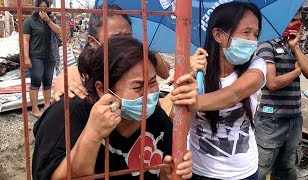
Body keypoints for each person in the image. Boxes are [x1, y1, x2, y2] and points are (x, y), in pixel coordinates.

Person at [32, 36, 196, 180]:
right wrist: (93, 134)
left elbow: (166, 168)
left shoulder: (156, 119)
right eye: (137, 87)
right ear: (102, 89)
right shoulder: (69, 114)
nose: (149, 95)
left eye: (153, 83)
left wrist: (167, 177)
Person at [185, 2, 267, 179]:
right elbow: (178, 122)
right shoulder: (195, 68)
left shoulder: (257, 65)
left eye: (256, 34)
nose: (252, 40)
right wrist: (188, 77)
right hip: (199, 171)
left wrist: (192, 101)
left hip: (243, 173)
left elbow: (233, 94)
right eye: (246, 32)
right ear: (218, 35)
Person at [53, 4, 171, 101]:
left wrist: (145, 53)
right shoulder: (81, 74)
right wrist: (65, 79)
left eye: (127, 36)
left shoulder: (139, 60)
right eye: (115, 38)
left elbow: (165, 73)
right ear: (93, 42)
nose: (123, 44)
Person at [253, 9, 308, 180]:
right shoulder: (267, 45)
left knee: (287, 169)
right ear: (283, 21)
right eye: (293, 20)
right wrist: (296, 73)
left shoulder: (296, 46)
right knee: (261, 168)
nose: (298, 24)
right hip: (271, 120)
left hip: (294, 119)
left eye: (300, 20)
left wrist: (296, 48)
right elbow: (272, 83)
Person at [23, 0, 62, 117]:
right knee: (35, 83)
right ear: (36, 7)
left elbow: (59, 31)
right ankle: (35, 109)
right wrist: (26, 57)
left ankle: (46, 105)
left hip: (50, 56)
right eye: (41, 7)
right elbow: (25, 40)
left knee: (48, 82)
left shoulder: (49, 20)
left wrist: (48, 20)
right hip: (36, 56)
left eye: (45, 7)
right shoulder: (29, 22)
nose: (43, 9)